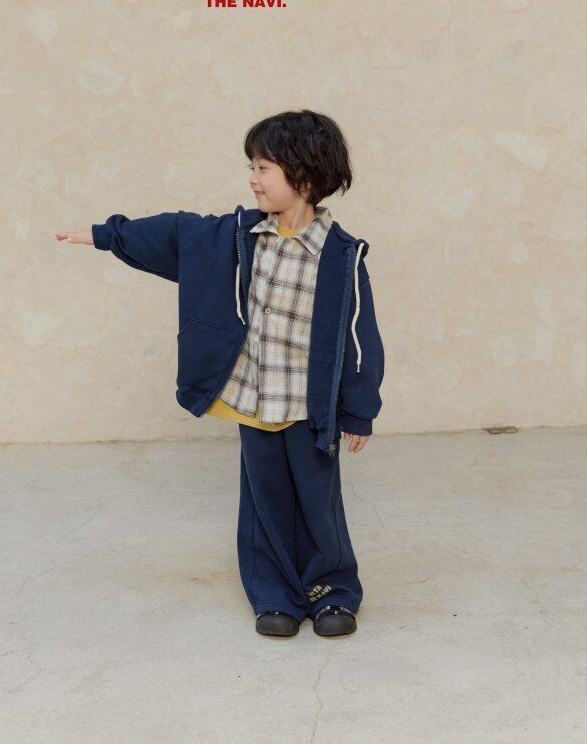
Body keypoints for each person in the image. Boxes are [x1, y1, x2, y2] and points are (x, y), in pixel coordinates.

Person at [55, 109, 385, 638]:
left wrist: (358, 410)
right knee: (263, 504)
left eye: (263, 167)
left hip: (308, 407)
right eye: (251, 167)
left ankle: (332, 593)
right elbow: (173, 233)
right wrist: (106, 236)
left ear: (304, 177)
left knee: (318, 504)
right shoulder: (234, 238)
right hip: (254, 400)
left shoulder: (342, 256)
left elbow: (359, 336)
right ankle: (273, 595)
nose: (252, 178)